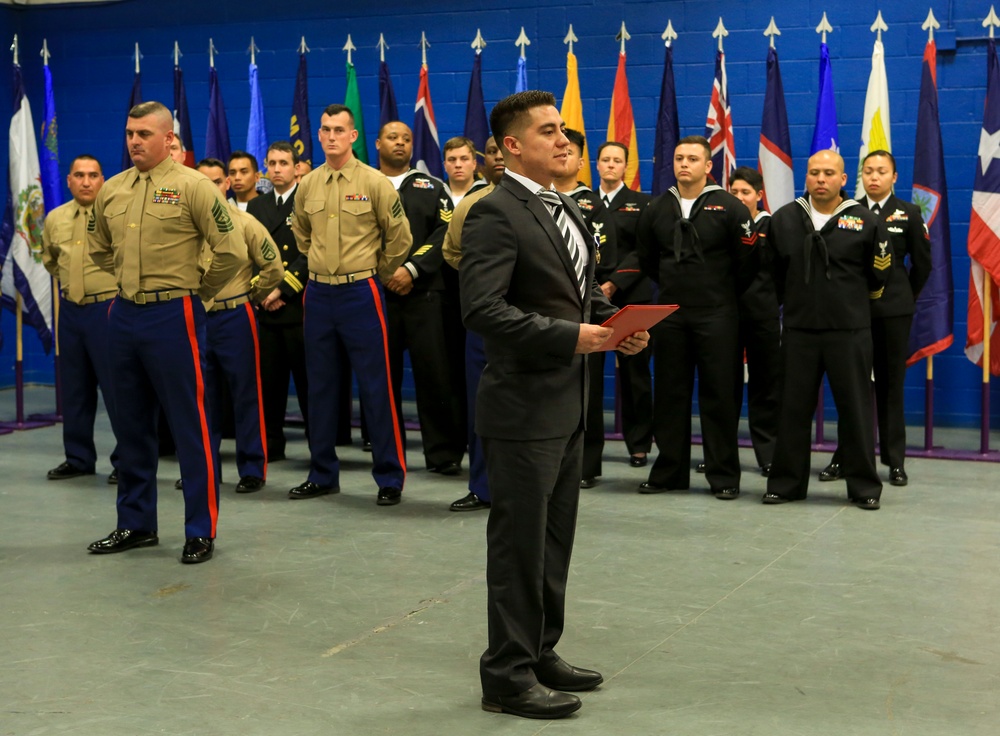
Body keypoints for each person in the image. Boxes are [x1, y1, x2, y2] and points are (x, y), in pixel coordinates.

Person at [461, 90, 648, 720]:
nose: (563, 140)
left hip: (567, 402)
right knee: (519, 545)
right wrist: (574, 338)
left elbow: (570, 294)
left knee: (553, 539)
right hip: (522, 406)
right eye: (547, 131)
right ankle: (506, 676)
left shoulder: (563, 204)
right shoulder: (495, 212)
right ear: (513, 146)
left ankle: (540, 649)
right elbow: (482, 309)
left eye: (564, 130)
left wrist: (614, 325)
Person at [87, 101, 244, 563]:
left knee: (190, 425)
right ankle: (135, 524)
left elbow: (230, 251)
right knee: (130, 426)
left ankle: (200, 529)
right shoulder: (112, 190)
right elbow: (99, 249)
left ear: (168, 138)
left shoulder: (194, 186)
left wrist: (198, 292)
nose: (134, 140)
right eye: (129, 132)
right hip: (125, 315)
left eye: (144, 133)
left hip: (175, 316)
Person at [288, 103, 412, 506]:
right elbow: (301, 235)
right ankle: (322, 472)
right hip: (319, 294)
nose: (331, 136)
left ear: (353, 136)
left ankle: (389, 476)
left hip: (361, 292)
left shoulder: (375, 182)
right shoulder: (308, 184)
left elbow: (400, 238)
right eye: (325, 130)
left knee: (376, 386)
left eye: (339, 129)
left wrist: (374, 270)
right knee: (320, 387)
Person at [764, 150, 893, 510]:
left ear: (841, 178)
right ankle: (786, 484)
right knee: (791, 410)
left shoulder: (864, 220)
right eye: (814, 173)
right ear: (806, 177)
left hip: (848, 331)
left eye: (828, 173)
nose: (820, 179)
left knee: (855, 411)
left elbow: (879, 272)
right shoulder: (786, 219)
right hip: (799, 331)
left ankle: (865, 487)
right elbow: (772, 271)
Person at [635, 136, 757, 500]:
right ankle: (670, 471)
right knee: (670, 395)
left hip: (718, 315)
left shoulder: (730, 207)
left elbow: (748, 264)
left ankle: (723, 476)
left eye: (692, 158)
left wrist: (716, 295)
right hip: (671, 315)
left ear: (708, 166)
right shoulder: (657, 209)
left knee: (719, 396)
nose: (684, 164)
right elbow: (648, 261)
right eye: (678, 158)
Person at [819, 150, 931, 487]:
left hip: (893, 313)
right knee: (851, 386)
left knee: (889, 384)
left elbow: (923, 265)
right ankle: (845, 455)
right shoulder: (847, 211)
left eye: (881, 171)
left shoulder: (909, 213)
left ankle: (895, 461)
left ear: (894, 177)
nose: (874, 177)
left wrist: (901, 297)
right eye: (868, 171)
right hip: (853, 312)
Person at [376, 121, 466, 476]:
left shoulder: (431, 186)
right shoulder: (365, 184)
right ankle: (387, 454)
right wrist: (384, 274)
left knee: (434, 377)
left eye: (406, 139)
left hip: (425, 293)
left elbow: (445, 231)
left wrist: (411, 269)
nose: (400, 143)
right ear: (378, 143)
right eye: (392, 138)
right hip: (378, 294)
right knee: (382, 378)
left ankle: (443, 455)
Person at [195, 158, 284, 493]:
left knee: (246, 394)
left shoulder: (245, 223)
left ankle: (251, 469)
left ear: (227, 184)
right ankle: (205, 468)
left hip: (235, 315)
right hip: (197, 318)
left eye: (217, 182)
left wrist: (253, 295)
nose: (211, 188)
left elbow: (273, 266)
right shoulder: (183, 225)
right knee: (201, 398)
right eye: (202, 182)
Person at [41, 154, 120, 485]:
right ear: (69, 180)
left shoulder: (115, 215)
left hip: (108, 310)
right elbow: (50, 260)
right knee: (74, 389)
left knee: (118, 390)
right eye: (79, 175)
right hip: (71, 312)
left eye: (93, 175)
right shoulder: (55, 218)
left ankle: (127, 459)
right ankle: (78, 458)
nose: (86, 182)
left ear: (103, 180)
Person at [442, 135, 504, 512]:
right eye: (492, 152)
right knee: (480, 405)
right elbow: (451, 251)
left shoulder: (545, 202)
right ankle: (482, 486)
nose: (498, 158)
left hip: (533, 322)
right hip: (484, 322)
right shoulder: (471, 204)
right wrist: (485, 278)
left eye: (503, 151)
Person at [555, 129, 618, 488]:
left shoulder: (591, 204)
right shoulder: (538, 199)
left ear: (580, 162)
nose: (562, 155)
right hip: (550, 312)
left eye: (569, 152)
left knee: (587, 391)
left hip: (585, 307)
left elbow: (602, 256)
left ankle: (586, 465)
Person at [246, 141, 312, 462]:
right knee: (270, 387)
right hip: (267, 309)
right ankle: (271, 447)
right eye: (271, 163)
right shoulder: (257, 207)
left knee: (308, 386)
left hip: (299, 306)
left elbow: (310, 251)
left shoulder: (308, 201)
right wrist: (263, 294)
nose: (277, 169)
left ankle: (318, 447)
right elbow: (253, 257)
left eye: (284, 163)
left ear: (297, 167)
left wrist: (282, 290)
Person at [595, 141, 654, 468]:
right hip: (589, 296)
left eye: (617, 160)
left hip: (630, 296)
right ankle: (589, 450)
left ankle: (639, 444)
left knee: (635, 375)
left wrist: (613, 283)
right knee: (587, 375)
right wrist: (595, 287)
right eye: (605, 160)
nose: (610, 165)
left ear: (625, 167)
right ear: (597, 164)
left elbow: (644, 250)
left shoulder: (641, 203)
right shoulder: (585, 202)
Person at [729, 167, 781, 476]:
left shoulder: (772, 226)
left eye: (745, 192)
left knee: (765, 386)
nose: (738, 198)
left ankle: (768, 454)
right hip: (727, 316)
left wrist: (770, 301)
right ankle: (722, 454)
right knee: (724, 386)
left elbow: (783, 273)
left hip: (762, 315)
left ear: (759, 196)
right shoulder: (722, 224)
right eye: (733, 192)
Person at [442, 136, 484, 206]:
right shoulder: (436, 196)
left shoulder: (488, 194)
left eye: (464, 159)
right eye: (452, 159)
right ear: (445, 166)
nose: (458, 165)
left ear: (474, 164)